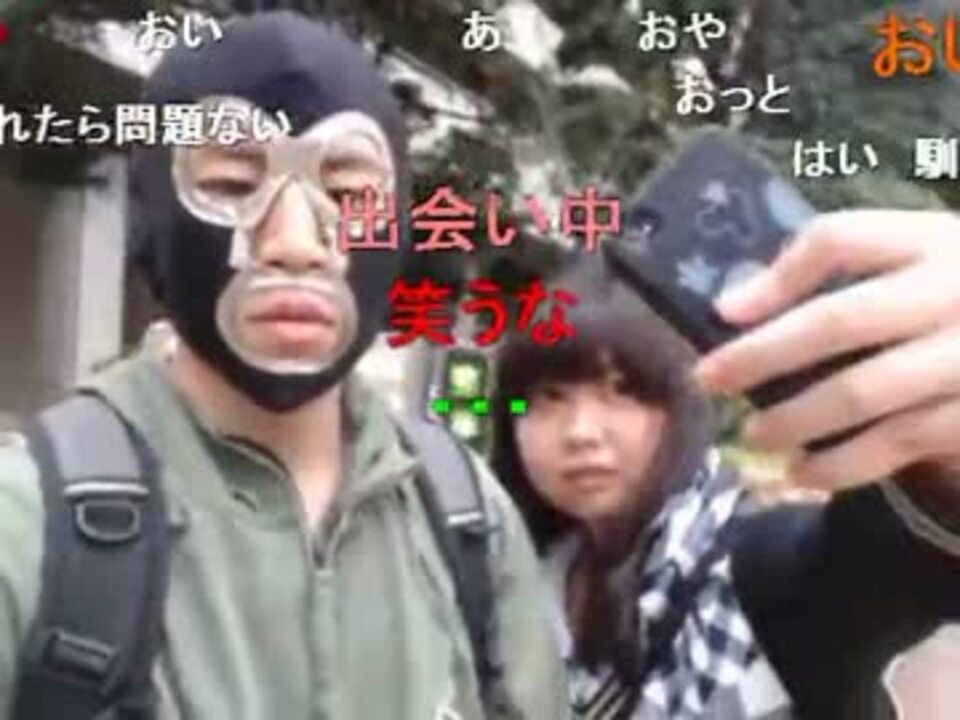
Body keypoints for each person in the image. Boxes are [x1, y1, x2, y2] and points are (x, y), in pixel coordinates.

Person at [0, 13, 569, 720]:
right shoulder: (27, 524)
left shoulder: (465, 521)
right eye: (234, 184)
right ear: (155, 215)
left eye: (349, 196)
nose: (297, 244)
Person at [490, 214, 960, 719]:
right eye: (547, 397)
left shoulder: (747, 567)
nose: (581, 430)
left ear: (682, 404)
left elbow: (887, 558)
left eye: (623, 391)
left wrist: (941, 474)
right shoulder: (499, 570)